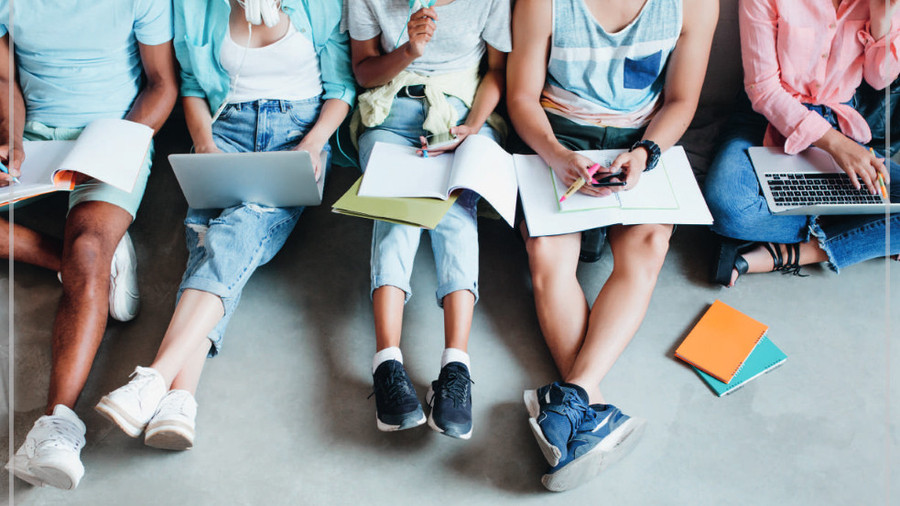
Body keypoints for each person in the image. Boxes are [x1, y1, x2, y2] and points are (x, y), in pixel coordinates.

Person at [94, 0, 354, 454]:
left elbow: (342, 87)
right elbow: (193, 86)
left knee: (237, 231)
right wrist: (204, 143)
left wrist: (313, 145)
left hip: (295, 132)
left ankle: (155, 376)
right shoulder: (195, 7)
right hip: (225, 129)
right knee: (207, 242)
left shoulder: (319, 6)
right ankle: (179, 399)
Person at [507, 0, 716, 490]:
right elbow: (521, 97)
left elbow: (681, 100)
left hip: (641, 141)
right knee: (549, 254)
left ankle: (572, 398)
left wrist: (646, 152)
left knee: (649, 248)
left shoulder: (697, 5)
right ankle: (590, 407)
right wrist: (557, 155)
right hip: (555, 136)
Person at [1, 0, 177, 490]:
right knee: (84, 261)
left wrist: (119, 144)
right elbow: (4, 80)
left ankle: (57, 427)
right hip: (33, 137)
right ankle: (84, 269)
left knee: (89, 251)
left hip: (114, 134)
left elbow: (162, 83)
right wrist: (11, 137)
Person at [347, 0, 510, 439]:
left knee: (457, 215)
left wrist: (473, 126)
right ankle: (387, 362)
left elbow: (497, 72)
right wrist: (409, 51)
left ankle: (456, 366)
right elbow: (363, 71)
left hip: (460, 115)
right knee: (397, 217)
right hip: (389, 113)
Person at [704, 0, 900, 287]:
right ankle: (864, 233)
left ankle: (792, 253)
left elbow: (879, 79)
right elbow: (764, 91)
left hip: (838, 121)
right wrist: (837, 145)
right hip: (764, 119)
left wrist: (882, 16)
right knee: (729, 211)